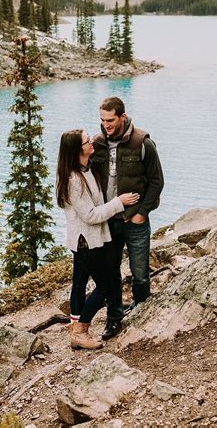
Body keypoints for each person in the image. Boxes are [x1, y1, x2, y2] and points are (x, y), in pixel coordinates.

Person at [56, 128, 139, 350]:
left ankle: (75, 329)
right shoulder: (74, 179)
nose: (91, 141)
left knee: (80, 282)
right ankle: (81, 330)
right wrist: (119, 202)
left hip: (85, 240)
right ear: (76, 150)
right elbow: (90, 215)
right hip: (86, 242)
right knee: (104, 286)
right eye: (86, 141)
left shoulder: (85, 169)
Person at [91, 97, 164, 340]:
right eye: (102, 120)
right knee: (110, 271)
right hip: (108, 221)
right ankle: (114, 318)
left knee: (140, 271)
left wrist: (142, 213)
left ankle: (142, 309)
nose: (106, 125)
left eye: (110, 120)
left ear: (123, 116)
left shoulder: (142, 142)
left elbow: (156, 181)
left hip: (134, 220)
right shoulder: (97, 143)